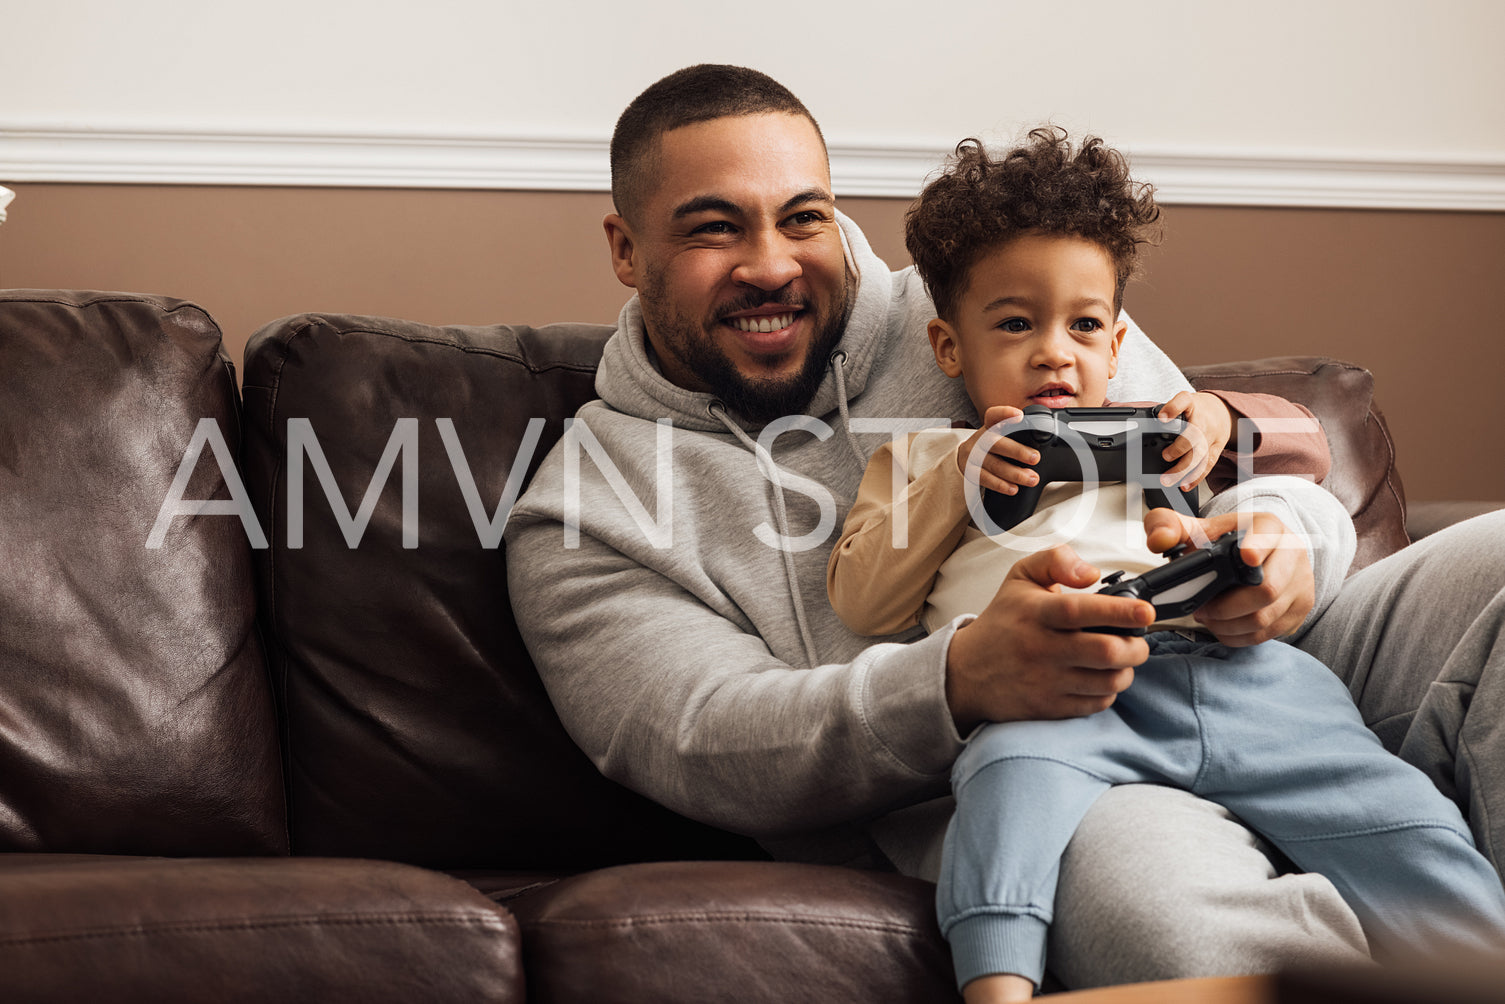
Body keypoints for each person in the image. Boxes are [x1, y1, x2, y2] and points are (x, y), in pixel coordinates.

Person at [504, 63, 1505, 988]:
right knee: (1164, 916)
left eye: (800, 218)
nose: (771, 265)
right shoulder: (582, 507)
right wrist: (956, 680)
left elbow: (1200, 448)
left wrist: (1284, 542)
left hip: (1251, 665)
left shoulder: (997, 288)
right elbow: (703, 736)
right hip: (1034, 767)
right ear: (624, 247)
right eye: (712, 227)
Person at [825, 129, 1505, 1001]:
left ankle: (1478, 957)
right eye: (1013, 324)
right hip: (1062, 699)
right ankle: (994, 984)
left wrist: (1224, 420)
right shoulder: (927, 457)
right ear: (949, 348)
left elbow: (1308, 452)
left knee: (1398, 818)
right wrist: (958, 479)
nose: (1051, 352)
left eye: (1081, 327)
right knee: (1000, 792)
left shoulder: (1162, 431)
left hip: (1237, 677)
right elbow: (862, 598)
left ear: (1114, 346)